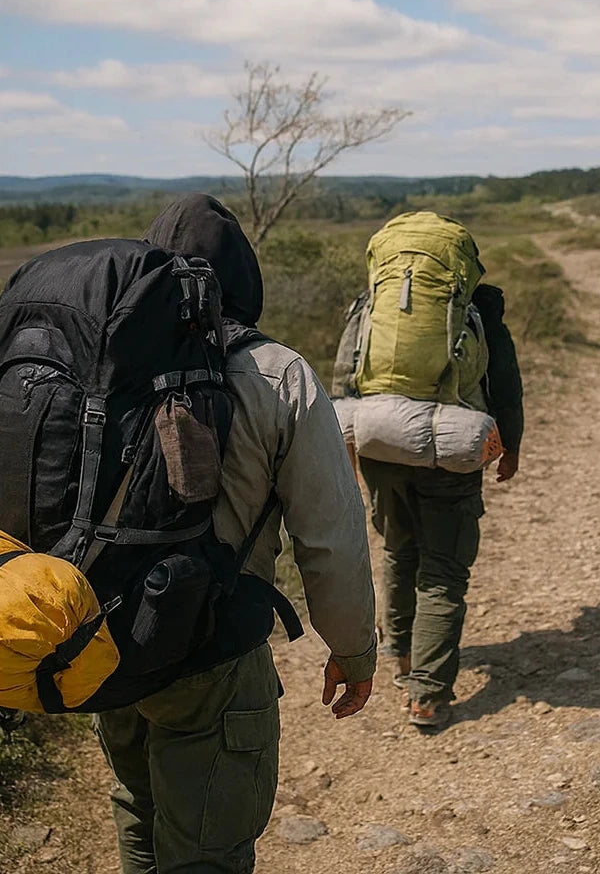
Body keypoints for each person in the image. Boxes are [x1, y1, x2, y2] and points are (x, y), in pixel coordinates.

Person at [93, 195, 377, 874]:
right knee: (208, 852)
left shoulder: (102, 359)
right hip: (213, 649)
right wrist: (353, 651)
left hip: (105, 637)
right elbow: (329, 538)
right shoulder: (279, 375)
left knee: (138, 810)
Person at [339, 224, 524, 731]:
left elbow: (343, 381)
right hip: (452, 450)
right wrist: (511, 448)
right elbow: (505, 388)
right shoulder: (477, 309)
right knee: (443, 571)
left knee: (399, 551)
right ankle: (427, 693)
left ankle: (399, 655)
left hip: (380, 445)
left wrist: (349, 450)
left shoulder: (370, 306)